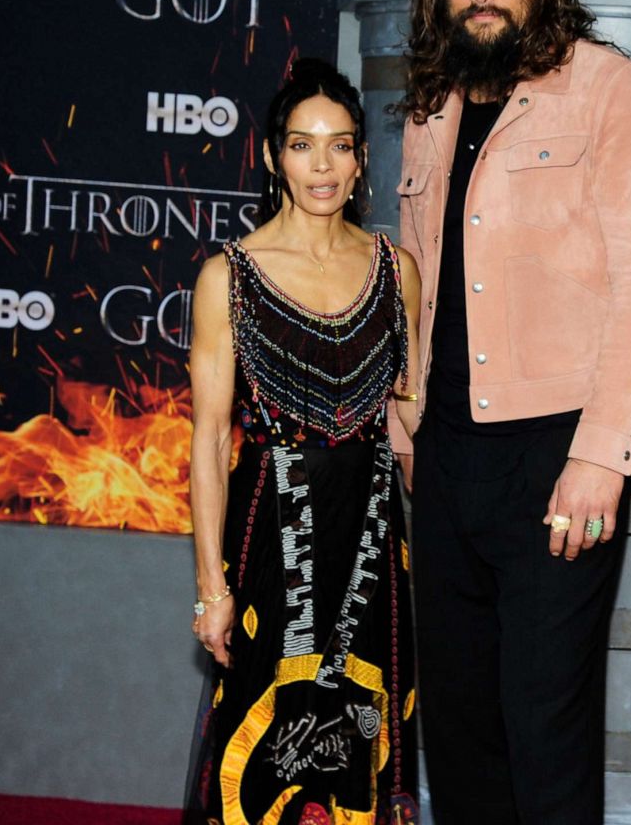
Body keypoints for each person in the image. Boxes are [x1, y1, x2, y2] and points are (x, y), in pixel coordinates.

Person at [392, 0, 631, 824]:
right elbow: (414, 273)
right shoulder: (431, 107)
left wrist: (602, 454)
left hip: (557, 460)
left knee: (543, 723)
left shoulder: (616, 93)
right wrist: (404, 422)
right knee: (461, 723)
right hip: (442, 455)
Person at [185, 59, 421, 825]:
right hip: (268, 542)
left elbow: (410, 421)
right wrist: (212, 591)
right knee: (261, 746)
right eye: (302, 144)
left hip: (371, 541)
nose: (322, 165)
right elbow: (210, 439)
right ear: (271, 156)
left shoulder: (398, 270)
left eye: (342, 145)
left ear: (359, 160)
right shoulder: (230, 277)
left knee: (360, 735)